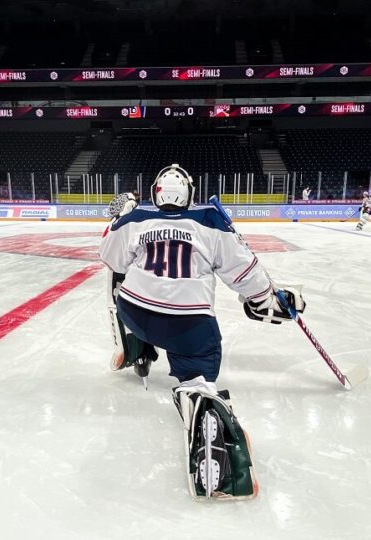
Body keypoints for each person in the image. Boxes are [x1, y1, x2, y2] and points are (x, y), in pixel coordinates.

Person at [99, 164, 304, 500]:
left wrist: (118, 218)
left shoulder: (137, 218)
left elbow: (112, 258)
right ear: (189, 193)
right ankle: (200, 401)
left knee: (118, 284)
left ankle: (137, 347)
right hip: (187, 328)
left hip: (135, 313)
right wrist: (264, 297)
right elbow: (244, 273)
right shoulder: (210, 219)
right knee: (197, 373)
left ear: (155, 192)